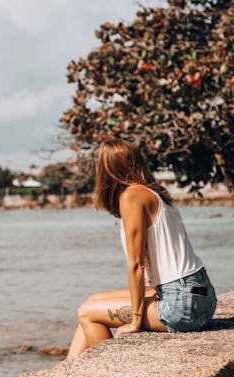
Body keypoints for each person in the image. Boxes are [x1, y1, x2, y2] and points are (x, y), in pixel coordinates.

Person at [67, 139, 217, 358]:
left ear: (108, 170)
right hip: (196, 294)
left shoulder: (132, 196)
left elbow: (136, 264)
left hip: (182, 303)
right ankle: (68, 372)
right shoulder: (155, 193)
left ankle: (112, 374)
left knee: (87, 313)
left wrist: (136, 319)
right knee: (93, 300)